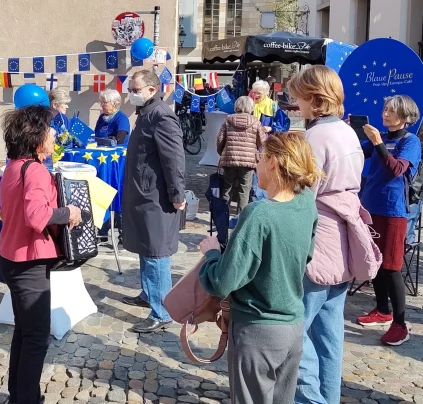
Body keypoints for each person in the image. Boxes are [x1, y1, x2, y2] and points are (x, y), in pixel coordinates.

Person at [199, 132, 321, 404]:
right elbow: (306, 256)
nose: (255, 165)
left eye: (260, 158)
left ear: (274, 163)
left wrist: (210, 256)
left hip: (257, 331)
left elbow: (222, 281)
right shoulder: (306, 203)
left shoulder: (259, 213)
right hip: (292, 326)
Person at [288, 66, 369, 404]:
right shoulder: (348, 132)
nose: (295, 103)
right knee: (329, 333)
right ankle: (328, 398)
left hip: (318, 241)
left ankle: (312, 400)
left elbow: (301, 198)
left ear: (314, 99)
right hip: (341, 240)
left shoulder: (315, 137)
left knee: (295, 333)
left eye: (299, 97)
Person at [0, 105, 82, 404]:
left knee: (25, 332)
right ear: (36, 138)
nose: (55, 133)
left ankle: (20, 395)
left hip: (12, 257)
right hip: (28, 263)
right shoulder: (33, 170)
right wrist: (68, 212)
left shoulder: (14, 165)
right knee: (36, 338)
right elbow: (37, 216)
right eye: (50, 129)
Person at [121, 69, 186, 333]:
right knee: (146, 248)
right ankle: (149, 294)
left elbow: (174, 159)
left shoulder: (161, 115)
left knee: (156, 252)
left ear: (151, 89)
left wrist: (177, 193)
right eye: (131, 89)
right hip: (144, 195)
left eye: (135, 90)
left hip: (157, 197)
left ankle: (162, 312)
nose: (131, 94)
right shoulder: (146, 113)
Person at [357, 95, 421, 346]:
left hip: (393, 211)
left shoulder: (410, 141)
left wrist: (378, 142)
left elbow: (396, 170)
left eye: (392, 111)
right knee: (374, 260)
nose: (385, 114)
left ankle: (400, 324)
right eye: (385, 109)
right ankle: (382, 309)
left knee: (392, 267)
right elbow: (357, 151)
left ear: (405, 117)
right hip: (371, 208)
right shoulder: (380, 138)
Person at [216, 95, 265, 213]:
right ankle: (240, 219)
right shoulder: (255, 122)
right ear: (251, 107)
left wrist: (222, 153)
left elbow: (220, 139)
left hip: (230, 158)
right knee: (244, 191)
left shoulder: (228, 119)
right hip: (248, 161)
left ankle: (223, 219)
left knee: (227, 189)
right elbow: (261, 141)